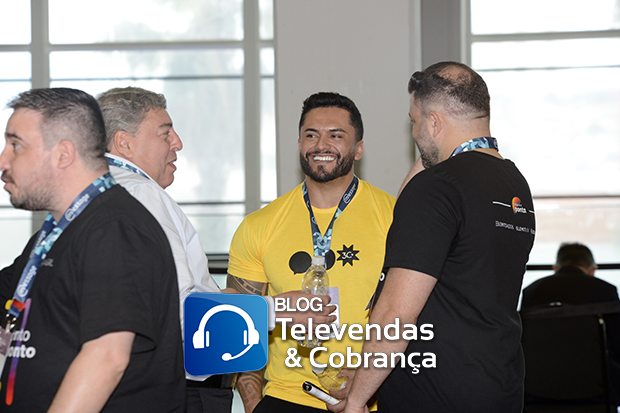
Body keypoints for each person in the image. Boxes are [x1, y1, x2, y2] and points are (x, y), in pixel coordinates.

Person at [96, 86, 337, 413]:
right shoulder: (142, 195)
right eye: (165, 133)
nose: (177, 142)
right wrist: (278, 309)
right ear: (124, 143)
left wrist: (221, 297)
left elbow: (139, 299)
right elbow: (177, 311)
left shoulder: (96, 194)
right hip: (178, 387)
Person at [330, 62, 536, 413]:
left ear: (434, 122)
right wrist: (368, 376)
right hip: (499, 386)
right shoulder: (513, 183)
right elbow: (406, 219)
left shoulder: (436, 189)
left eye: (414, 121)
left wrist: (358, 398)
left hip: (437, 395)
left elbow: (395, 316)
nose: (413, 132)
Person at [0, 88, 184, 412]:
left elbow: (107, 358)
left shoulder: (114, 228)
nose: (4, 160)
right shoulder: (59, 232)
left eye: (16, 146)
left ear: (63, 154)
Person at [227, 92, 396, 412]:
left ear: (359, 148)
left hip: (370, 400)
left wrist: (368, 383)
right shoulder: (258, 226)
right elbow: (242, 323)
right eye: (311, 135)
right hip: (286, 396)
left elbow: (415, 317)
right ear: (299, 144)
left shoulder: (395, 218)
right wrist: (253, 405)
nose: (321, 145)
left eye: (336, 135)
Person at [521, 242, 620, 406]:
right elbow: (617, 344)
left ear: (555, 268)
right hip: (596, 388)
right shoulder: (606, 290)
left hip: (538, 387)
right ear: (592, 270)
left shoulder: (531, 291)